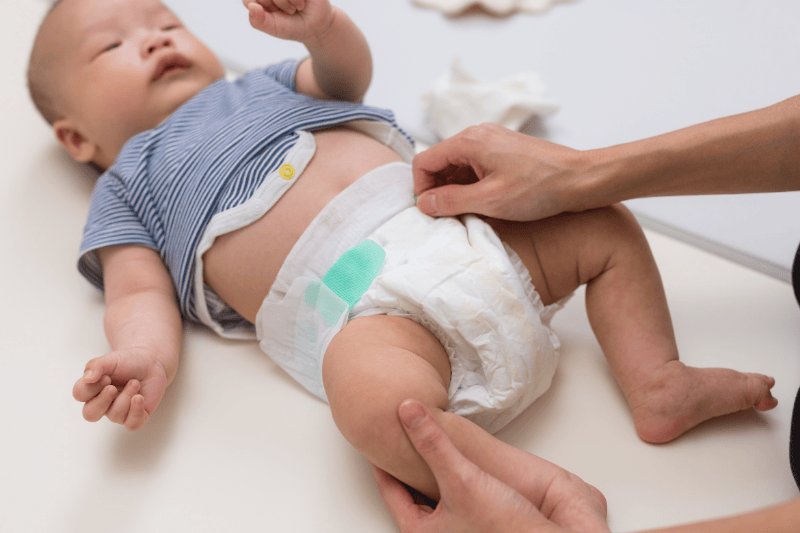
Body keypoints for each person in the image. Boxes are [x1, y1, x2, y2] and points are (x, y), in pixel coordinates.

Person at [27, 0, 776, 528]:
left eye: (166, 22)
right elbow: (137, 291)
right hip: (370, 319)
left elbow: (344, 81)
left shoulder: (255, 83)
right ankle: (534, 486)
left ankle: (658, 380)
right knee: (374, 407)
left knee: (601, 222)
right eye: (113, 46)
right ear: (76, 137)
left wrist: (323, 29)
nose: (156, 40)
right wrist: (140, 355)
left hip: (466, 235)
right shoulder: (130, 183)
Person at [373, 94, 800, 531]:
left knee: (602, 227)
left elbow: (341, 73)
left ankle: (651, 386)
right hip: (372, 297)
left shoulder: (298, 82)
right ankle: (560, 474)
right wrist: (579, 173)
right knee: (387, 406)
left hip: (452, 242)